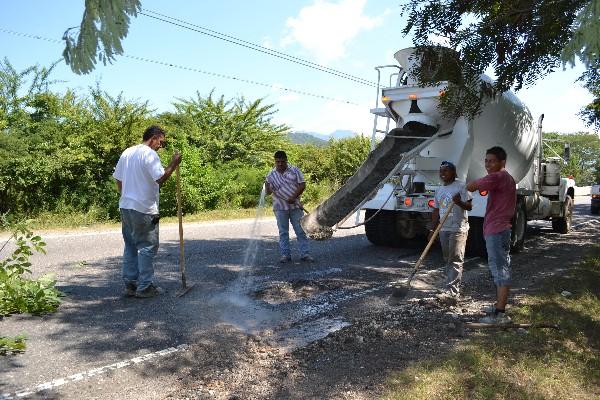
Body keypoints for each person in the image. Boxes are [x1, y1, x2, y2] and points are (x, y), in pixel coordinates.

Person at [113, 125, 182, 298]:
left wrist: (126, 195)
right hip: (144, 208)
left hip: (126, 206)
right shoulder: (150, 154)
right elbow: (160, 178)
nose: (161, 146)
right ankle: (145, 287)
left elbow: (118, 179)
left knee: (130, 245)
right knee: (147, 246)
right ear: (154, 137)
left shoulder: (127, 152)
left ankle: (131, 284)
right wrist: (174, 163)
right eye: (161, 142)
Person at [466, 146, 516, 324]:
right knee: (500, 268)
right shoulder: (506, 178)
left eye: (492, 161)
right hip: (500, 229)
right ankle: (498, 307)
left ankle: (500, 315)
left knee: (500, 270)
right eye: (486, 160)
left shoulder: (499, 176)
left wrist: (460, 189)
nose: (488, 164)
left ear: (502, 162)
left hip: (497, 230)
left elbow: (472, 186)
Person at [431, 161, 472, 305]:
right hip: (443, 228)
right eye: (441, 171)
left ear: (454, 172)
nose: (442, 173)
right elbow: (436, 210)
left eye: (446, 170)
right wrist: (433, 229)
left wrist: (459, 202)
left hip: (458, 228)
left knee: (455, 258)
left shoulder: (461, 186)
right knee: (447, 257)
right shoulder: (439, 190)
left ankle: (453, 291)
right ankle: (450, 285)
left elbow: (470, 206)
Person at [265, 150, 313, 263]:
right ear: (275, 162)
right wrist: (267, 186)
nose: (280, 164)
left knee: (300, 230)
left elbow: (302, 185)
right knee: (283, 232)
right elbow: (268, 192)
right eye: (278, 162)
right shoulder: (271, 175)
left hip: (295, 207)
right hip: (280, 207)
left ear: (286, 160)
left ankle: (305, 254)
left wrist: (293, 197)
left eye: (282, 161)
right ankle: (285, 255)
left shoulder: (295, 170)